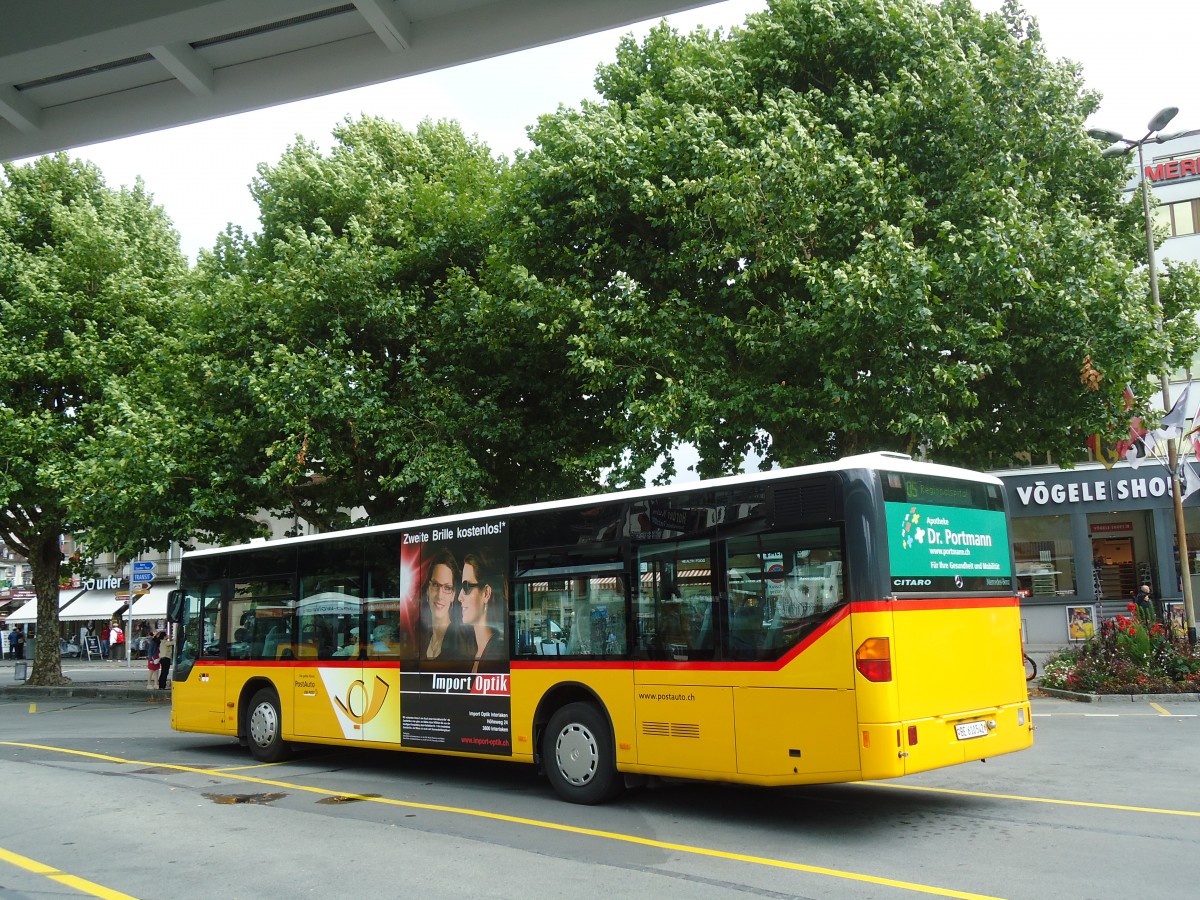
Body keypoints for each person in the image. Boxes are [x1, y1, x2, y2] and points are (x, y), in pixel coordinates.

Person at [458, 551, 505, 673]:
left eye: (466, 587)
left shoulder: (497, 652)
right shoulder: (474, 650)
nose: (459, 597)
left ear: (486, 593)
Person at [422, 548, 463, 660]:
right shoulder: (423, 641)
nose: (440, 595)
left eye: (447, 588)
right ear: (427, 590)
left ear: (453, 595)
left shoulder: (459, 642)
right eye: (435, 585)